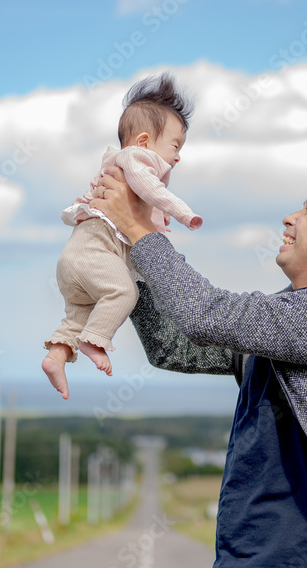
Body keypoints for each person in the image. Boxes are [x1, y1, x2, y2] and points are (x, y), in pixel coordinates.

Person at [88, 148, 307, 568]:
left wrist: (137, 227)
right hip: (248, 551)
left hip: (297, 555)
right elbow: (173, 345)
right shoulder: (291, 319)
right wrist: (124, 249)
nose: (290, 218)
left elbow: (204, 314)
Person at [42, 73, 203, 400]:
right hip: (93, 253)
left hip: (76, 261)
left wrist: (156, 216)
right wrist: (184, 212)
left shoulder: (115, 167)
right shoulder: (135, 159)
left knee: (78, 314)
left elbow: (140, 220)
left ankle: (56, 356)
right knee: (123, 293)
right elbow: (152, 189)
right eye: (175, 145)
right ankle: (94, 340)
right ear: (144, 142)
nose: (178, 156)